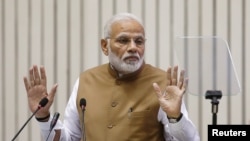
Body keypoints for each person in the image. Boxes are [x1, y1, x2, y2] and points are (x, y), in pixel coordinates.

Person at [23, 12, 200, 141]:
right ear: (105, 46)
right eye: (123, 40)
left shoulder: (161, 84)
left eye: (139, 41)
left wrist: (175, 117)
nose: (133, 47)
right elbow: (69, 139)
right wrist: (44, 117)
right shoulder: (86, 80)